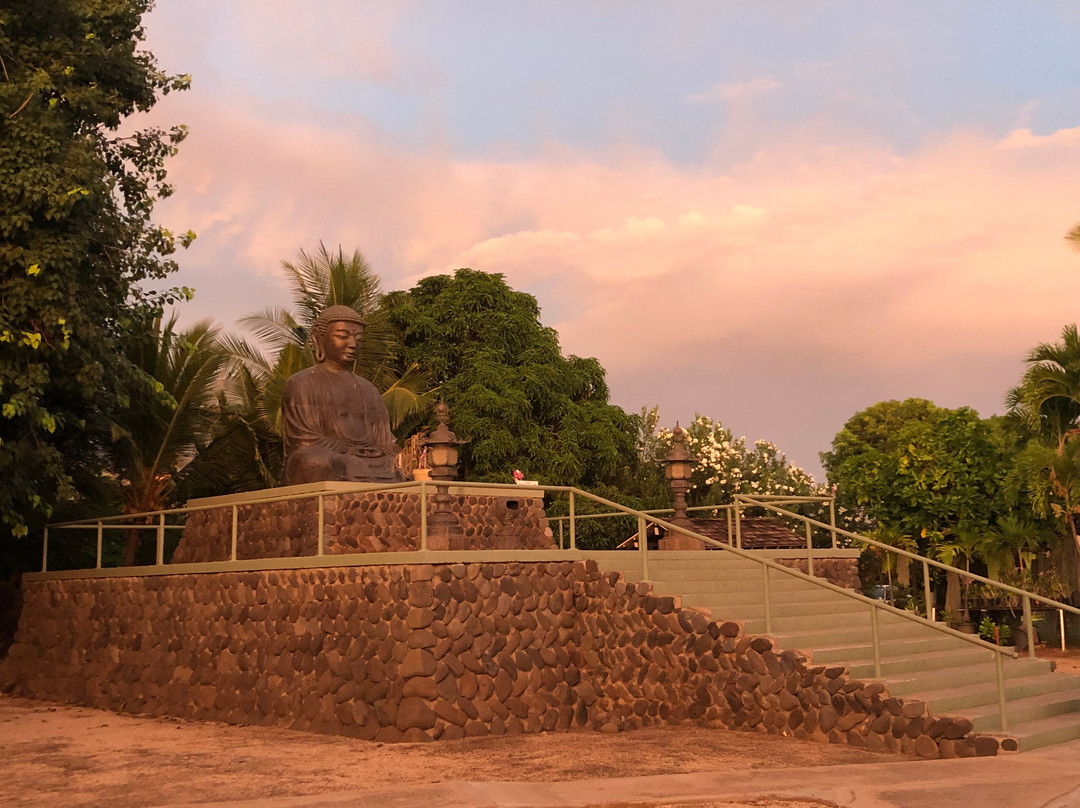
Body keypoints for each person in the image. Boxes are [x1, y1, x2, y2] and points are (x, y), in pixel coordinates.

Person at [279, 305, 402, 485]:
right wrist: (342, 449)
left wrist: (383, 449)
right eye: (343, 336)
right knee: (310, 461)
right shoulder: (301, 382)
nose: (352, 344)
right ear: (318, 338)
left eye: (358, 338)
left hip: (368, 460)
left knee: (401, 462)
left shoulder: (368, 389)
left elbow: (385, 439)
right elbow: (302, 441)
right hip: (332, 458)